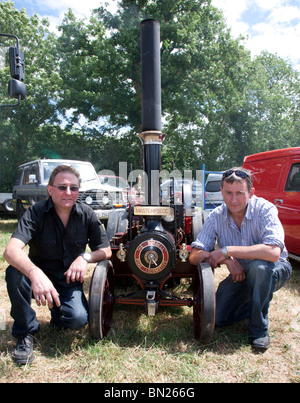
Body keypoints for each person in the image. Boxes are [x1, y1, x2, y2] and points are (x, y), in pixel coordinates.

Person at [4, 165, 112, 364]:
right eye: (62, 187)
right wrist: (35, 273)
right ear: (50, 189)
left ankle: (58, 313)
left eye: (74, 188)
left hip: (67, 280)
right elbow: (10, 251)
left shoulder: (86, 214)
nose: (68, 192)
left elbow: (106, 251)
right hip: (38, 277)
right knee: (14, 273)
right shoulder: (36, 213)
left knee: (77, 320)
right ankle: (25, 333)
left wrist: (84, 258)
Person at [189, 167, 292, 352]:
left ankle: (259, 330)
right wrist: (227, 260)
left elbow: (273, 252)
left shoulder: (265, 209)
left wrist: (227, 251)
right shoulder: (216, 216)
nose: (233, 199)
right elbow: (194, 255)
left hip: (274, 268)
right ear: (221, 192)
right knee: (217, 317)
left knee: (259, 268)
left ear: (251, 193)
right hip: (242, 274)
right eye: (228, 193)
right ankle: (255, 302)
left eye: (239, 193)